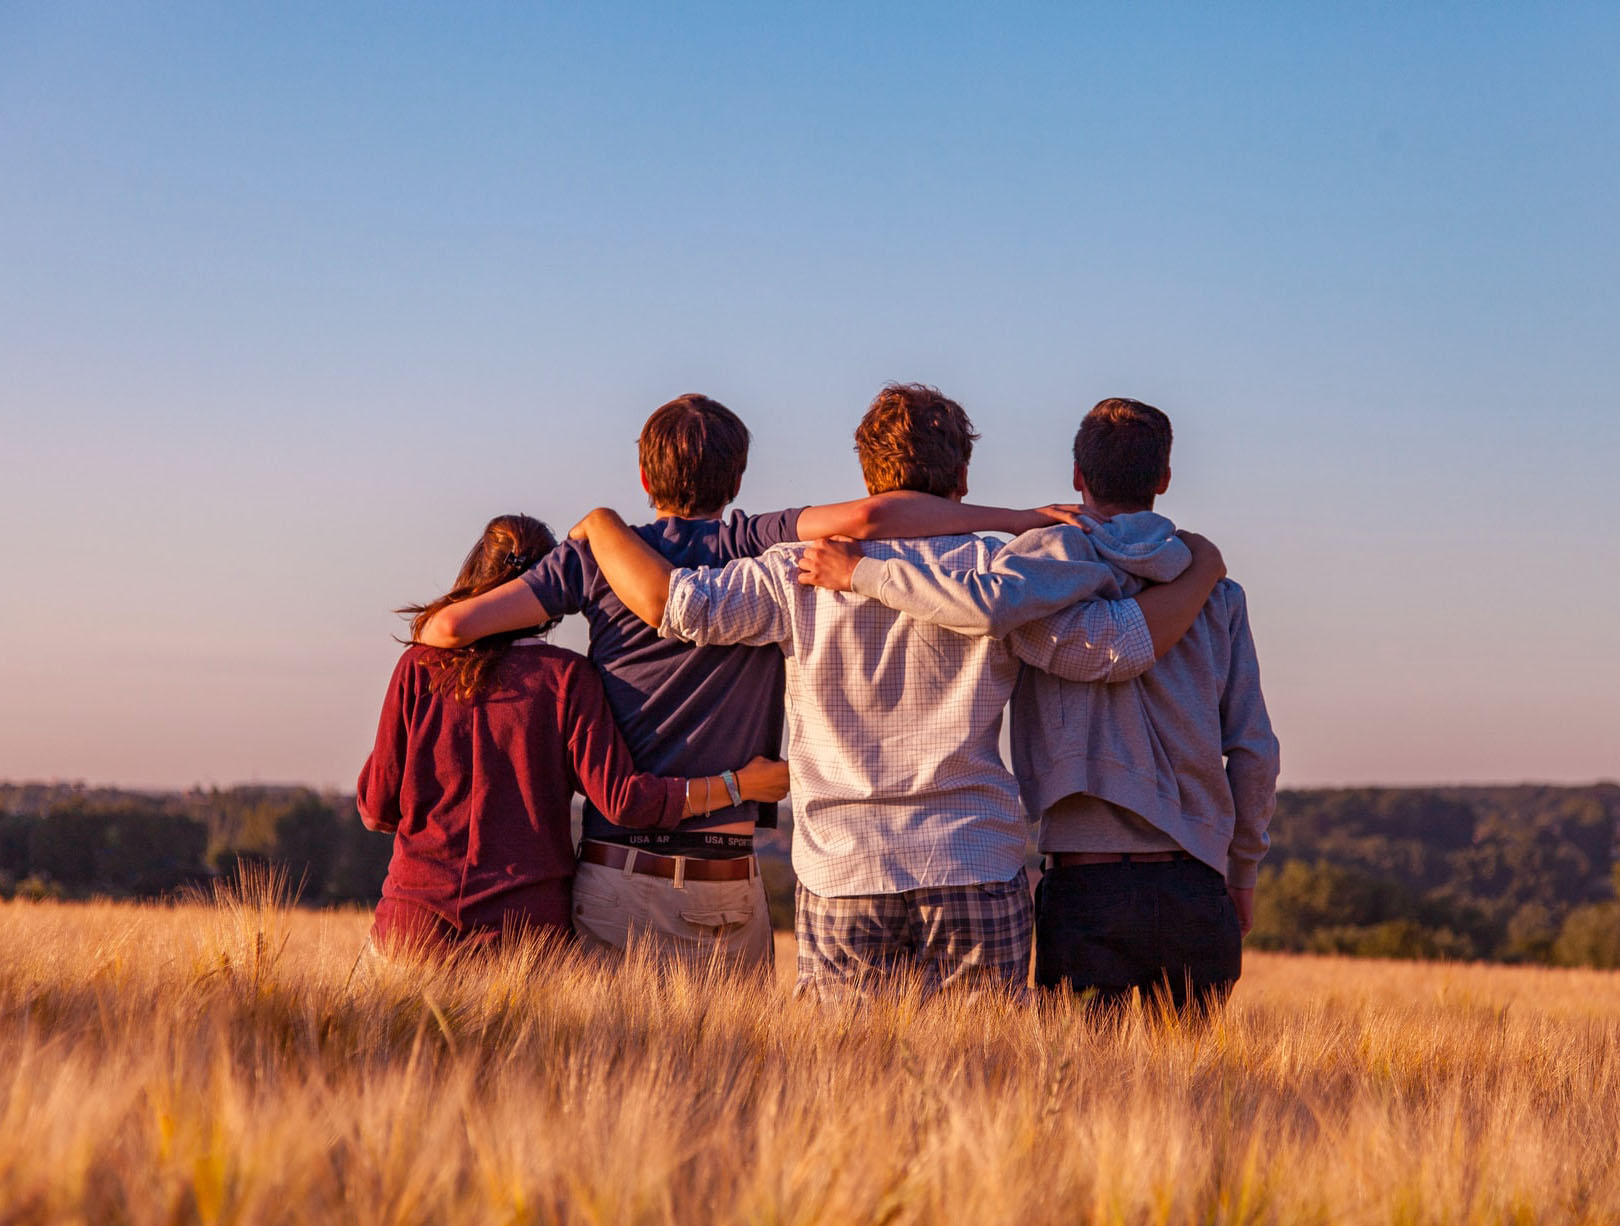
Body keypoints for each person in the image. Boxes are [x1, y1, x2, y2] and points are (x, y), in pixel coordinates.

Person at [570, 385, 1227, 1001]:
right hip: (972, 858)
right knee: (982, 1084)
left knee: (846, 1088)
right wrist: (1201, 572)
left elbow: (677, 607)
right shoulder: (1000, 572)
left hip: (843, 869)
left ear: (866, 478)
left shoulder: (794, 572)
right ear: (963, 481)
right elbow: (1111, 650)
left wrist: (602, 525)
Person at [413, 393, 1084, 969]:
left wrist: (592, 536)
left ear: (644, 475)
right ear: (737, 480)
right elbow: (874, 519)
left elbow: (447, 633)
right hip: (727, 877)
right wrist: (1016, 519)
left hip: (619, 869)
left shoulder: (594, 558)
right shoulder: (754, 543)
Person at [798, 397, 1279, 1014]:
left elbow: (986, 608)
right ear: (1162, 479)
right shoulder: (1217, 593)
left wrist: (863, 572)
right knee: (1189, 1099)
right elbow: (1254, 751)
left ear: (1078, 476)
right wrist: (1242, 870)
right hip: (1197, 881)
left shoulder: (1035, 574)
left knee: (1077, 1094)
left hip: (1086, 884)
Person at [357, 513, 789, 957]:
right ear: (548, 590)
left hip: (413, 928)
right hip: (524, 938)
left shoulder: (419, 668)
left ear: (475, 575)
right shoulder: (566, 678)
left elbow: (377, 809)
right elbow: (624, 801)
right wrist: (740, 785)